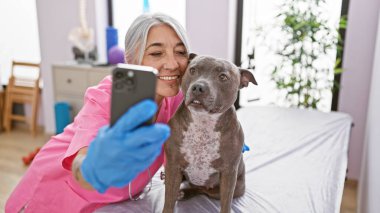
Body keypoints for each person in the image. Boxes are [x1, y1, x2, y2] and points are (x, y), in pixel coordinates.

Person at [6, 13, 190, 213]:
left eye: (180, 52)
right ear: (131, 59)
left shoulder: (175, 99)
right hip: (50, 196)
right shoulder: (106, 97)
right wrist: (94, 169)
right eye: (156, 53)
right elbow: (81, 163)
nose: (173, 63)